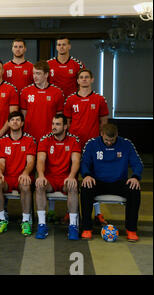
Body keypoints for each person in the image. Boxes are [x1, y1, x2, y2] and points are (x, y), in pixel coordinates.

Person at [80, 124, 143, 242]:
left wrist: (135, 177)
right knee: (85, 187)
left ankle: (131, 230)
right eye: (106, 140)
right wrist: (87, 175)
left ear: (117, 136)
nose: (109, 143)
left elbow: (137, 163)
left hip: (118, 182)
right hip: (98, 182)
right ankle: (87, 229)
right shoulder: (92, 144)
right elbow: (84, 163)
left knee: (134, 189)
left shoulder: (126, 144)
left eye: (112, 140)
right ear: (101, 134)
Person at [64, 68, 109, 225]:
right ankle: (71, 212)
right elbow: (67, 124)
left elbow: (104, 122)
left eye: (86, 77)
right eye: (81, 77)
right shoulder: (70, 100)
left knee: (93, 178)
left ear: (92, 79)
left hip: (93, 145)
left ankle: (97, 213)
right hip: (75, 144)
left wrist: (101, 142)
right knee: (72, 177)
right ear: (77, 81)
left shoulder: (99, 99)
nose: (83, 79)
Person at [34, 114, 81, 240]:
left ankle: (72, 226)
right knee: (39, 185)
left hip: (66, 178)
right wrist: (41, 175)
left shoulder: (73, 140)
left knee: (73, 186)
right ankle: (42, 224)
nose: (54, 127)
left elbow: (76, 161)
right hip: (50, 179)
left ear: (65, 126)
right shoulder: (45, 139)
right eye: (53, 124)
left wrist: (71, 176)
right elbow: (40, 160)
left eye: (58, 124)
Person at [0, 111, 36, 236]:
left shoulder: (29, 140)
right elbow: (1, 163)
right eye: (12, 120)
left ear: (22, 123)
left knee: (26, 184)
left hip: (22, 177)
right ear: (8, 123)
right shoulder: (3, 141)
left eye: (17, 120)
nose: (15, 122)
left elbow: (31, 162)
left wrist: (26, 173)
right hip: (8, 178)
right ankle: (2, 219)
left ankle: (26, 220)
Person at [20, 60, 64, 143]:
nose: (35, 76)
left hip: (50, 136)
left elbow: (59, 117)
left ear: (46, 74)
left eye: (38, 73)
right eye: (34, 73)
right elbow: (24, 116)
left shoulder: (57, 92)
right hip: (30, 136)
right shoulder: (25, 91)